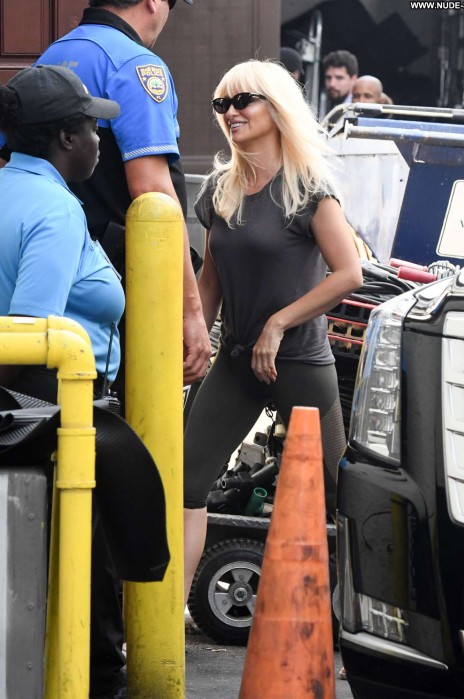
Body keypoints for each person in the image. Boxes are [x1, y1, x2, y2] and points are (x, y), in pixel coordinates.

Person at [183, 60, 363, 602]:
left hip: (300, 362)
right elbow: (210, 282)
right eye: (222, 104)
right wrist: (192, 340)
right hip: (236, 361)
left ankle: (357, 618)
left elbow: (349, 273)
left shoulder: (309, 189)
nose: (231, 113)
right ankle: (167, 617)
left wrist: (279, 324)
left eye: (243, 101)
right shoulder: (220, 189)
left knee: (339, 495)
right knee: (186, 484)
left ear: (276, 107)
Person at [0, 65, 126, 699]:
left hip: (30, 401)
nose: (101, 141)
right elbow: (32, 333)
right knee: (84, 551)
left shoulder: (9, 188)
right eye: (93, 128)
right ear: (65, 138)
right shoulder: (53, 208)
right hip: (52, 402)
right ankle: (98, 678)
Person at [29, 0, 211, 391]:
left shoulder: (48, 58)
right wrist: (190, 311)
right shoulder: (136, 65)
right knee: (129, 414)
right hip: (118, 288)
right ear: (153, 2)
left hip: (43, 273)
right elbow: (153, 194)